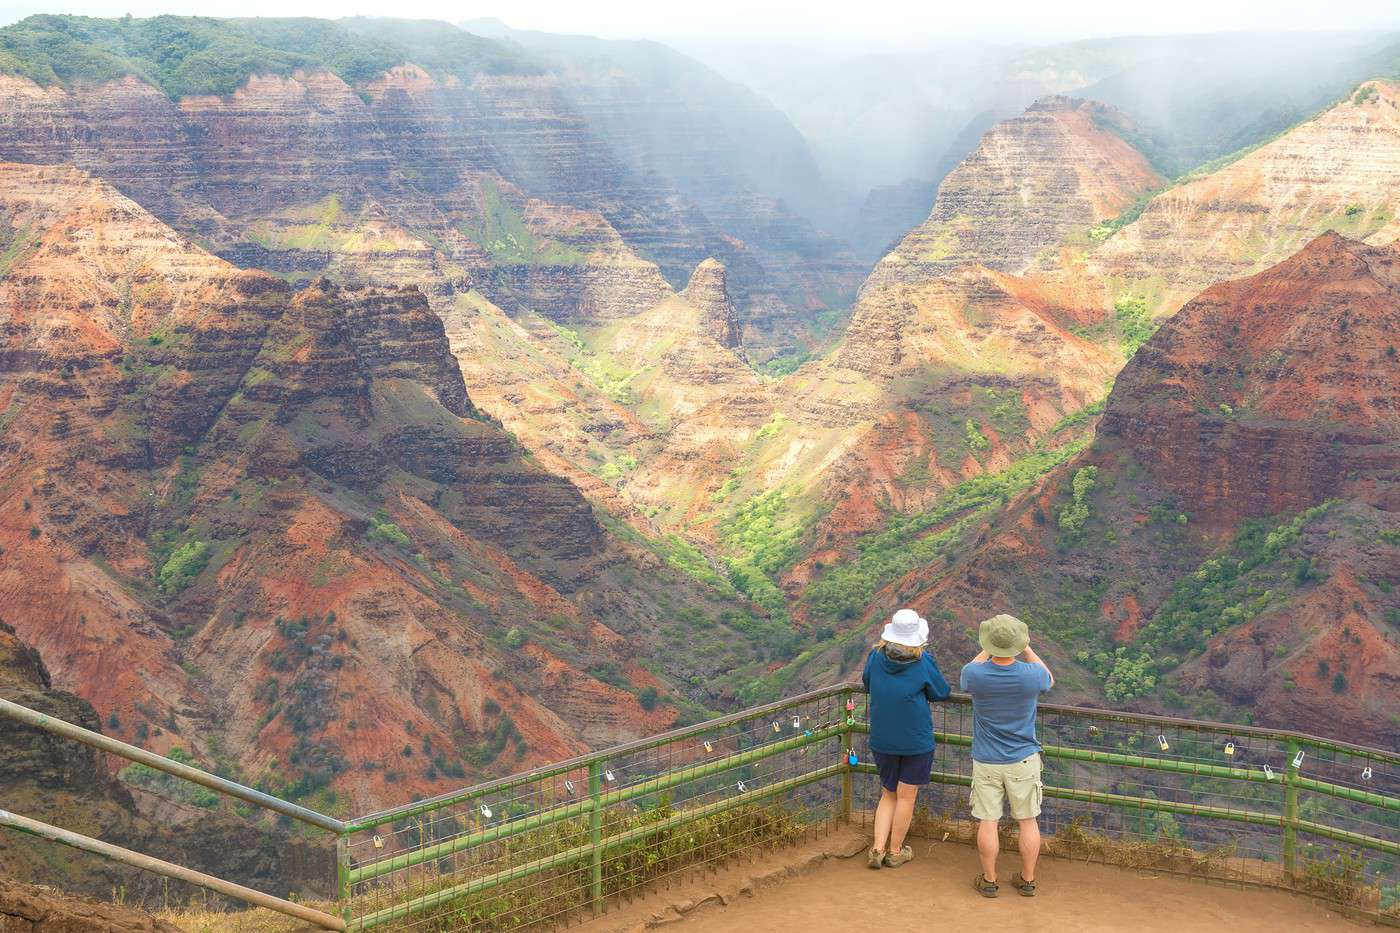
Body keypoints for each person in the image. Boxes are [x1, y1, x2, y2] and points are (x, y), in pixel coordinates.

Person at [960, 613, 1054, 898]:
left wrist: (989, 647)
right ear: (1018, 642)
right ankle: (1027, 880)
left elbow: (967, 671)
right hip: (1024, 758)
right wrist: (1025, 647)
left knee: (988, 821)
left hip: (987, 759)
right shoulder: (1031, 675)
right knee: (1028, 820)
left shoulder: (975, 675)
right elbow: (1049, 678)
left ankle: (989, 880)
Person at [861, 608, 952, 870]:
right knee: (906, 797)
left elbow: (867, 683)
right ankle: (895, 851)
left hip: (883, 736)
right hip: (915, 739)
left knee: (888, 794)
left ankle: (877, 848)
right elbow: (940, 691)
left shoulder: (875, 657)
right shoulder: (923, 662)